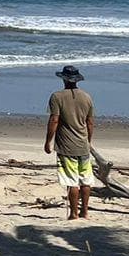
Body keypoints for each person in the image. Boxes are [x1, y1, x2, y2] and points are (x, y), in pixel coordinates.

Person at [44, 64, 95, 219]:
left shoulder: (57, 97)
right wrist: (88, 141)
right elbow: (90, 122)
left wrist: (48, 141)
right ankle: (84, 211)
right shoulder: (87, 97)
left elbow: (54, 120)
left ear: (64, 79)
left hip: (67, 145)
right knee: (85, 180)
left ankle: (74, 213)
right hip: (82, 143)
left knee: (72, 181)